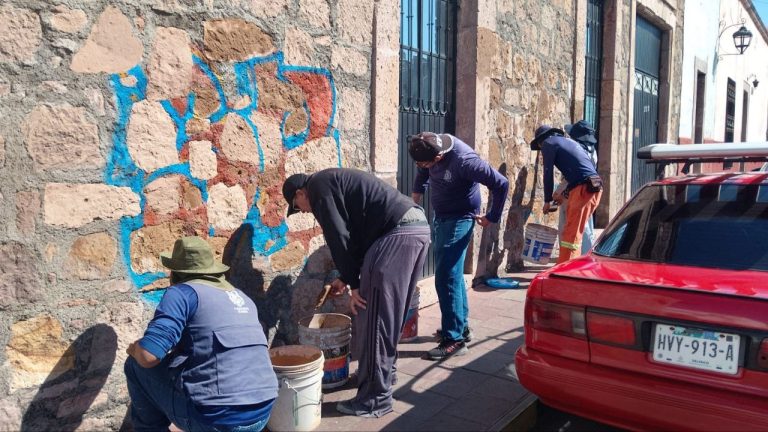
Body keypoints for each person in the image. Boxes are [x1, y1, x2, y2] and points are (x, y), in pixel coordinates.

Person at [282, 168, 430, 418]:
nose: (304, 211)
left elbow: (339, 237)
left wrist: (355, 285)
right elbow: (357, 237)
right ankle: (383, 376)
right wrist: (345, 277)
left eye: (298, 206)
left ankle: (374, 399)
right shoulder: (334, 182)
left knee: (372, 318)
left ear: (300, 193)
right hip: (416, 229)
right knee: (389, 317)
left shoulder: (318, 187)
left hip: (394, 236)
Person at [124, 236, 278, 432]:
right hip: (262, 414)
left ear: (175, 273)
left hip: (219, 421)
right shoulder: (242, 298)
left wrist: (136, 349)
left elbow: (148, 357)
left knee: (135, 366)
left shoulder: (181, 293)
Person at [408, 132, 509, 360]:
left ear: (440, 155)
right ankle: (461, 329)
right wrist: (414, 199)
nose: (423, 167)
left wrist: (492, 216)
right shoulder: (428, 145)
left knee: (446, 277)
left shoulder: (465, 161)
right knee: (452, 275)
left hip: (461, 219)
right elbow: (423, 170)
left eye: (427, 162)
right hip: (442, 217)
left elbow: (501, 184)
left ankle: (454, 340)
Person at [530, 124, 603, 264]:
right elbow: (577, 173)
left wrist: (547, 200)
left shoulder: (548, 143)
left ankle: (565, 271)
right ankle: (575, 266)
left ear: (541, 140)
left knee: (571, 234)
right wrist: (562, 195)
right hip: (593, 188)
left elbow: (547, 173)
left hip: (584, 189)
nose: (541, 149)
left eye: (539, 146)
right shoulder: (569, 142)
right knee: (575, 231)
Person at [553, 120, 598, 255]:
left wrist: (558, 192)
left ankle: (573, 255)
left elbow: (571, 176)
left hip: (574, 190)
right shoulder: (592, 151)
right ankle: (587, 253)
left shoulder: (576, 150)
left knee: (568, 226)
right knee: (586, 224)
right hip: (589, 189)